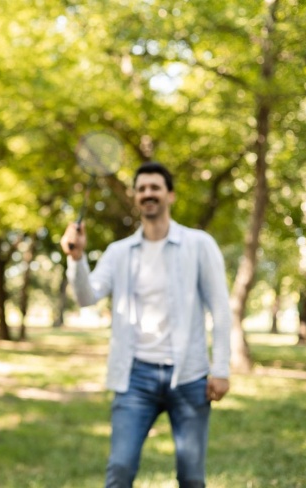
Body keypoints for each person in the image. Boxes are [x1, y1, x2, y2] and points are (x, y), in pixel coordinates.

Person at [60, 162, 231, 488]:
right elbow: (86, 296)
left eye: (155, 187)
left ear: (170, 195)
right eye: (141, 189)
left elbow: (220, 310)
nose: (148, 194)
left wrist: (221, 368)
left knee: (192, 477)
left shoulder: (200, 245)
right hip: (135, 377)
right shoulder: (118, 252)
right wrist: (77, 258)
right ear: (135, 197)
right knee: (120, 470)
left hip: (190, 376)